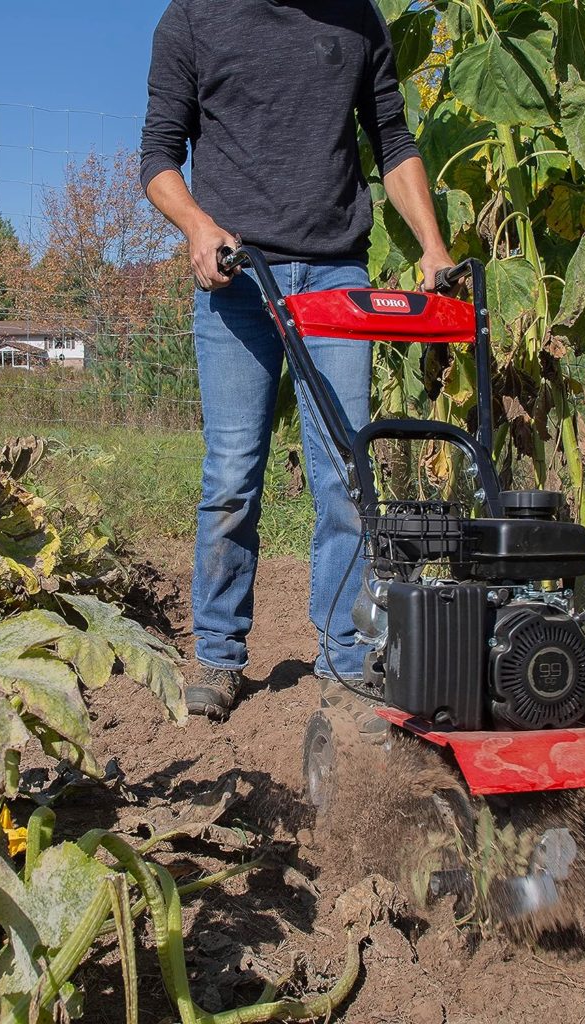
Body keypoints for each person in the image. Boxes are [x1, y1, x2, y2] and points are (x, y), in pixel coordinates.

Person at [140, 0, 453, 721]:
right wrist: (197, 226)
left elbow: (392, 138)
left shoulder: (354, 16)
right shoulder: (193, 16)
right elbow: (159, 154)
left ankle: (344, 659)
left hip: (336, 276)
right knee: (230, 476)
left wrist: (432, 246)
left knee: (347, 470)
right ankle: (218, 656)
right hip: (239, 275)